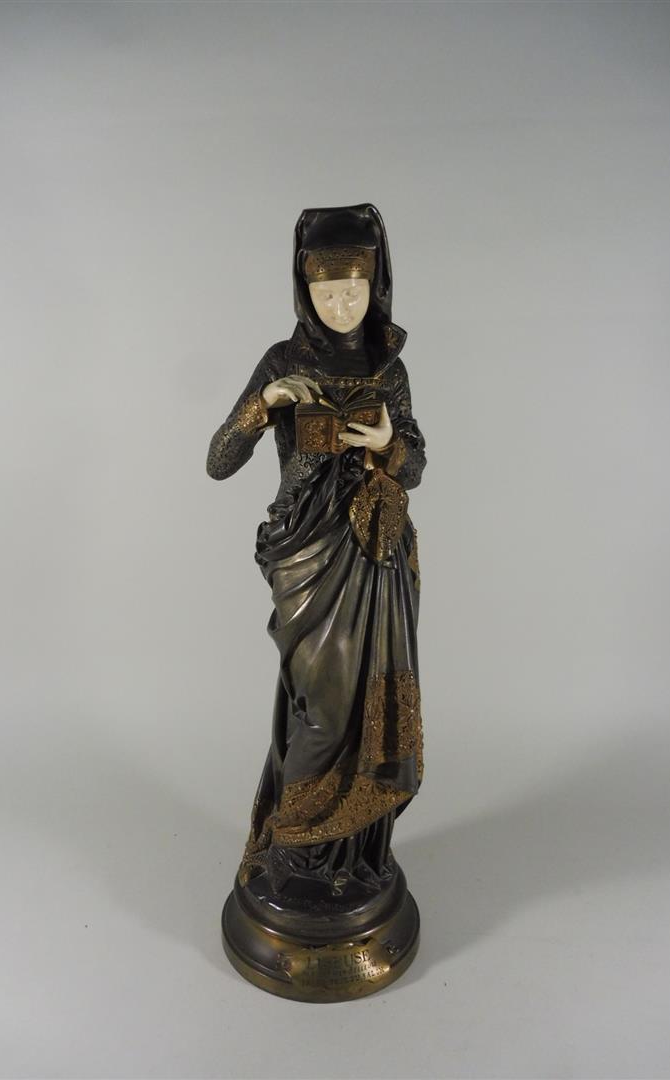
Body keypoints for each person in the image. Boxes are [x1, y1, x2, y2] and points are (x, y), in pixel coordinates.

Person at [207, 203, 427, 913]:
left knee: (367, 709)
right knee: (323, 711)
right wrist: (265, 402)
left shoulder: (388, 366)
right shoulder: (283, 361)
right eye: (327, 293)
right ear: (304, 290)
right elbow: (218, 460)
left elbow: (416, 464)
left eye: (353, 291)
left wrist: (387, 442)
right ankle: (293, 844)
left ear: (374, 286)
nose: (340, 306)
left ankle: (348, 857)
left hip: (375, 555)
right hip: (307, 555)